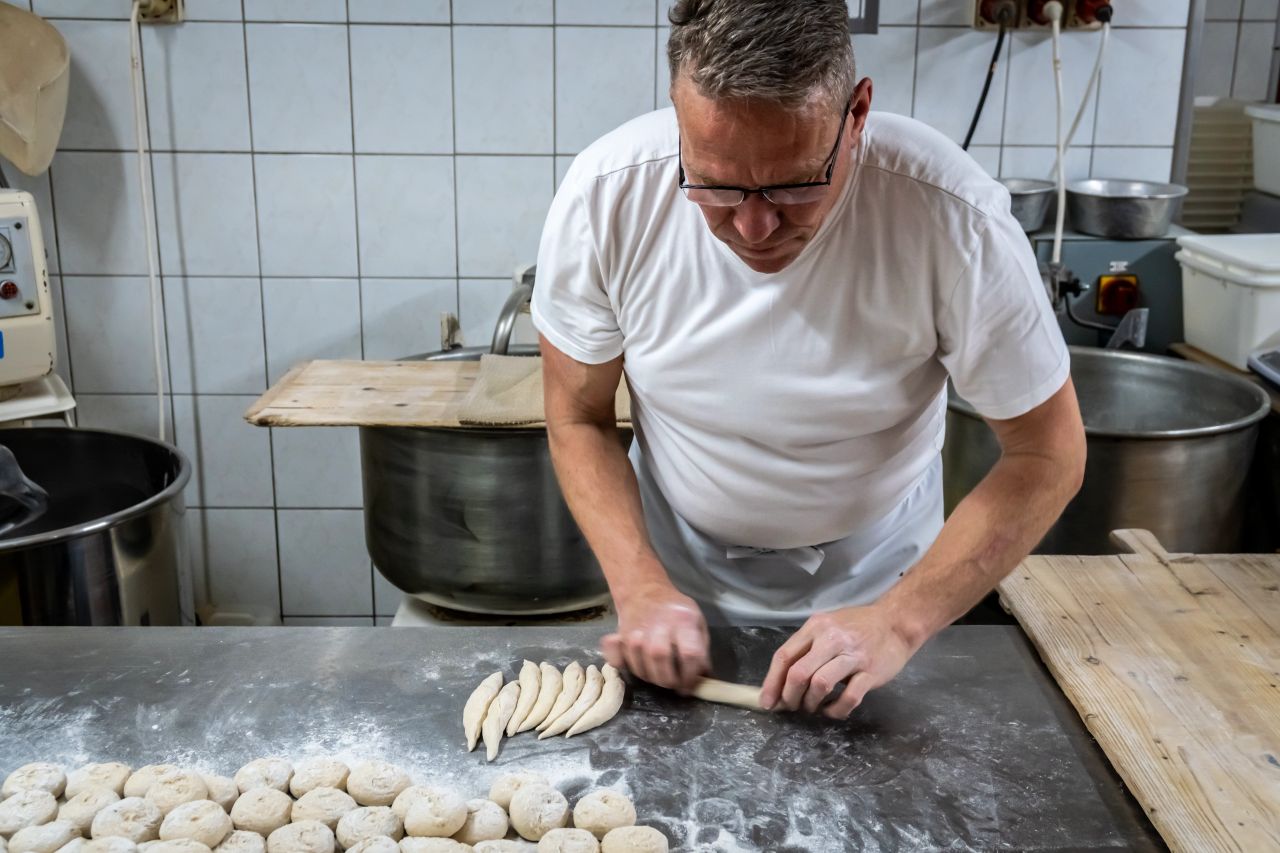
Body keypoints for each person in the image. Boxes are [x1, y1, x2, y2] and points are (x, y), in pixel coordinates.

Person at [531, 0, 1085, 719]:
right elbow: (576, 416)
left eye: (794, 184)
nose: (754, 225)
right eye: (717, 184)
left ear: (857, 115)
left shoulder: (950, 218)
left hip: (885, 588)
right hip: (674, 586)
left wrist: (899, 618)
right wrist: (639, 583)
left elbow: (1048, 454)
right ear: (677, 114)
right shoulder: (609, 196)